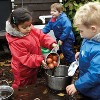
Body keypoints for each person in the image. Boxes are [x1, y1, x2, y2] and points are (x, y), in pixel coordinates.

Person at [5, 7, 58, 89]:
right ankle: (17, 95)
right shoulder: (15, 41)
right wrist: (40, 60)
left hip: (33, 66)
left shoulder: (29, 28)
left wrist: (51, 43)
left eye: (30, 25)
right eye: (24, 27)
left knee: (32, 83)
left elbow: (41, 36)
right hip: (22, 70)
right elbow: (26, 58)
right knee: (22, 86)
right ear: (15, 27)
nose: (29, 28)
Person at [66, 2, 100, 99]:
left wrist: (77, 85)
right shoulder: (90, 37)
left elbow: (95, 75)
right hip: (87, 87)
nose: (80, 34)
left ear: (93, 29)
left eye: (81, 31)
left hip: (95, 92)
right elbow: (90, 50)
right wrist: (82, 53)